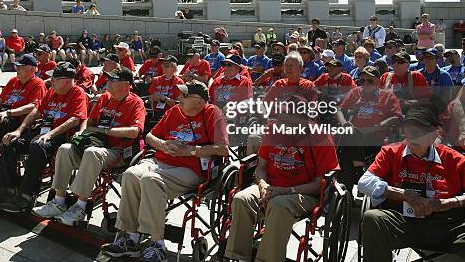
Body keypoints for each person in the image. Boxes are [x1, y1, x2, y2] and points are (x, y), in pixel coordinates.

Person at [102, 80, 228, 262]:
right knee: (130, 175)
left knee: (151, 180)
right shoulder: (175, 111)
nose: (179, 98)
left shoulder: (213, 114)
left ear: (200, 102)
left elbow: (223, 148)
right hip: (160, 161)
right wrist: (162, 144)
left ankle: (157, 244)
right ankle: (131, 237)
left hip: (190, 169)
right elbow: (150, 136)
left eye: (185, 95)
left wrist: (191, 150)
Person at [223, 98, 339, 262]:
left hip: (303, 193)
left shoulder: (320, 137)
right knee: (241, 199)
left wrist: (287, 191)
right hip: (271, 186)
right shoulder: (273, 129)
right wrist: (263, 186)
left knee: (279, 205)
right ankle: (238, 256)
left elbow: (319, 184)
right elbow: (261, 167)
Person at [33, 67, 146, 225]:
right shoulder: (104, 98)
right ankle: (58, 201)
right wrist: (83, 131)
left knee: (92, 152)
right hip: (95, 143)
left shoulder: (136, 103)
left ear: (126, 84)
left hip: (117, 151)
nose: (108, 82)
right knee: (65, 148)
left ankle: (80, 206)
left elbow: (135, 131)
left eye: (113, 80)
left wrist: (105, 130)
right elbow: (90, 121)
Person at [358, 106, 465, 261]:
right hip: (405, 222)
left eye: (419, 131)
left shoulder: (453, 159)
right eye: (409, 130)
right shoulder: (391, 152)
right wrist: (405, 195)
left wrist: (448, 203)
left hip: (447, 226)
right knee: (372, 218)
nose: (412, 136)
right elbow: (364, 182)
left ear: (433, 134)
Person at [0, 62, 88, 212]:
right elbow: (36, 111)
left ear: (67, 81)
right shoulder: (52, 92)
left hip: (60, 135)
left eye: (54, 79)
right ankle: (5, 190)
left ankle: (26, 196)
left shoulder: (78, 93)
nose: (50, 81)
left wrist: (50, 134)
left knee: (37, 145)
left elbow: (74, 119)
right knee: (9, 141)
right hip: (42, 131)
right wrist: (19, 130)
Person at [335, 66, 402, 187]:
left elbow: (397, 118)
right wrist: (344, 122)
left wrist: (376, 127)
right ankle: (358, 172)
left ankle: (348, 181)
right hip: (354, 135)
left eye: (369, 81)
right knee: (348, 135)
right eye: (362, 81)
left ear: (377, 82)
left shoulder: (387, 96)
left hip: (375, 138)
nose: (365, 83)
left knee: (347, 146)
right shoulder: (355, 92)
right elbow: (339, 110)